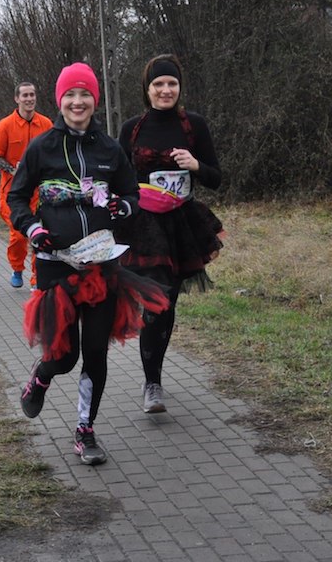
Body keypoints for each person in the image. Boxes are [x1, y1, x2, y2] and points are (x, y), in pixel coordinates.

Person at [9, 63, 169, 466]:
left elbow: (131, 194)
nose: (77, 102)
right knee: (63, 356)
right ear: (59, 100)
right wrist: (33, 229)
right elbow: (17, 198)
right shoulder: (42, 147)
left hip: (101, 264)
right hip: (55, 265)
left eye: (85, 95)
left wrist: (123, 207)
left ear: (95, 100)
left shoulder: (109, 149)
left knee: (96, 352)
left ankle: (85, 430)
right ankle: (40, 378)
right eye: (70, 95)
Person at [114, 54, 224, 414]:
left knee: (168, 302)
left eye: (171, 83)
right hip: (144, 227)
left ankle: (154, 375)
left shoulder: (194, 125)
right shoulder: (132, 128)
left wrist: (196, 165)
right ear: (147, 89)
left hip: (181, 225)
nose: (165, 90)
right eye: (158, 84)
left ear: (180, 87)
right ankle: (152, 384)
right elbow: (117, 177)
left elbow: (217, 178)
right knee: (155, 300)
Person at [0, 82, 53, 288]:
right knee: (18, 235)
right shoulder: (4, 126)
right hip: (13, 191)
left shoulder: (46, 124)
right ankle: (17, 268)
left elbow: (54, 152)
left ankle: (37, 278)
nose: (29, 99)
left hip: (39, 191)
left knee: (40, 233)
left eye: (32, 95)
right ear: (17, 99)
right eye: (25, 95)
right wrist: (13, 169)